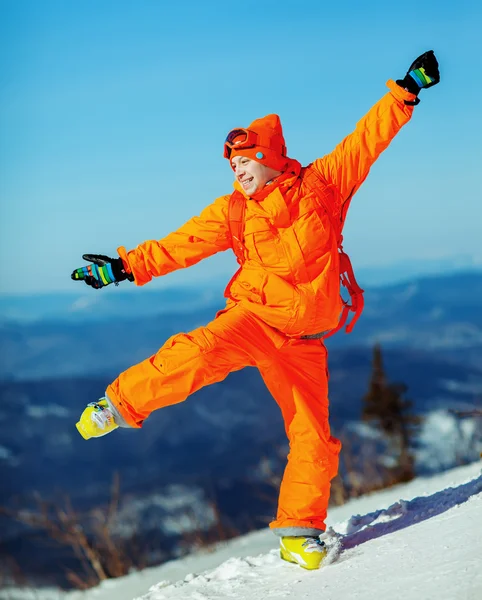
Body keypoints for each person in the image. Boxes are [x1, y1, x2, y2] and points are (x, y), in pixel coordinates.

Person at [72, 51, 440, 570]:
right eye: (232, 164)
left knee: (315, 437)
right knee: (201, 351)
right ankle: (118, 404)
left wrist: (404, 93)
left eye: (244, 161)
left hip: (305, 341)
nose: (237, 170)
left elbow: (366, 140)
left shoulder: (323, 185)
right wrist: (122, 267)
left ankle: (299, 531)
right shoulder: (234, 210)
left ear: (268, 157)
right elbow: (181, 245)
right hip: (254, 319)